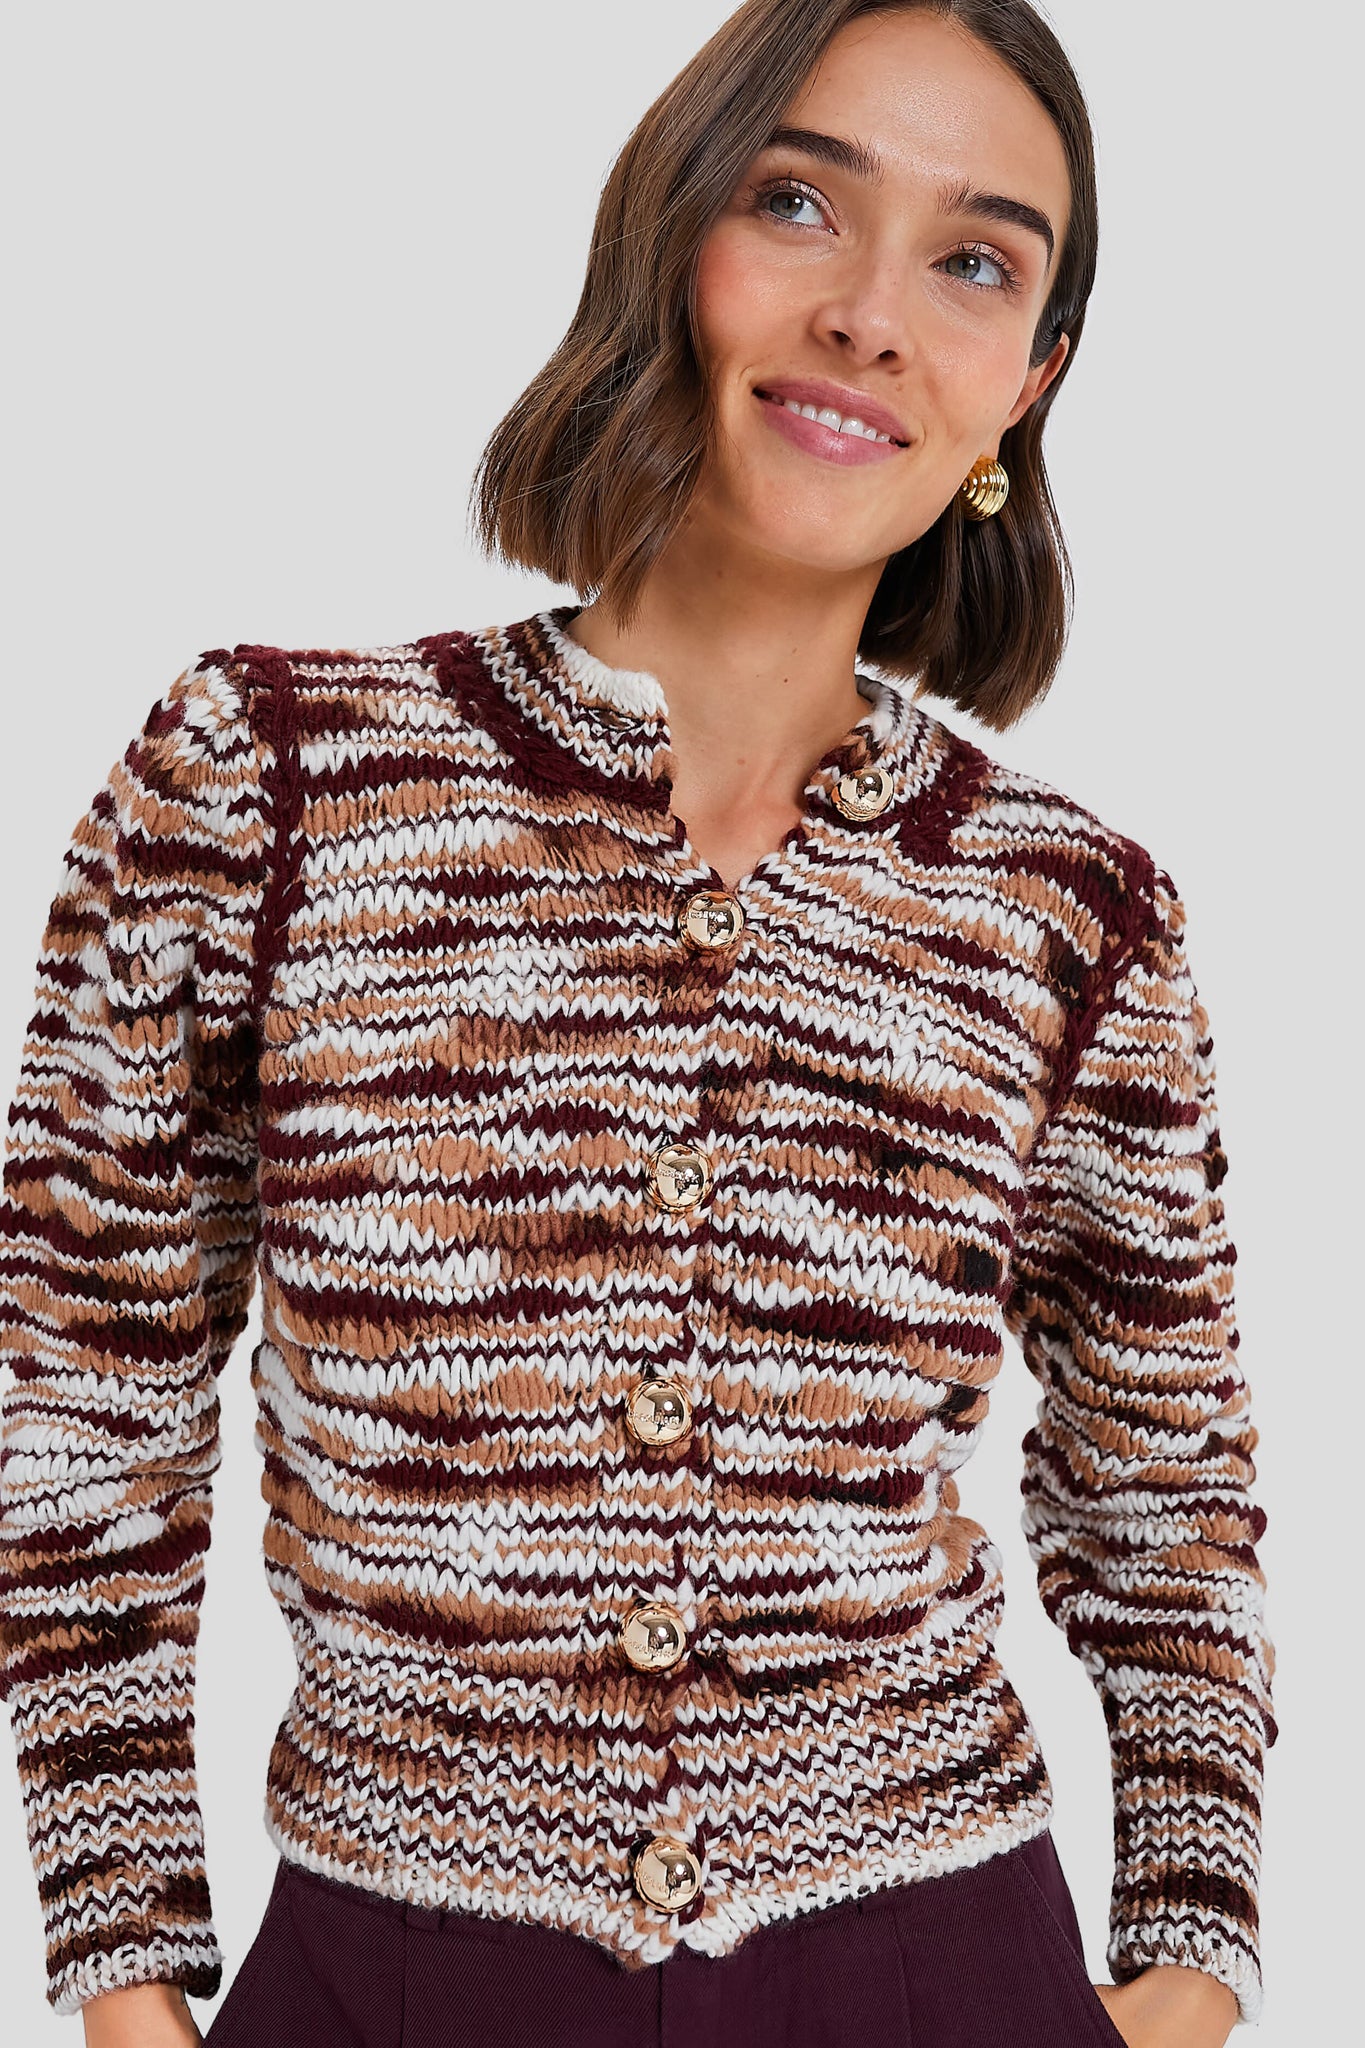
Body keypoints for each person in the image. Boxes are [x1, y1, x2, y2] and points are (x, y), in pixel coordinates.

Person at [0, 4, 1275, 2045]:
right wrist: (127, 1986)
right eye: (799, 204)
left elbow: (1164, 1497)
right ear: (670, 235)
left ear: (1025, 385)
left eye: (973, 261)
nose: (869, 317)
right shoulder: (265, 780)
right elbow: (85, 1405)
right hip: (389, 1973)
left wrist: (1184, 1977)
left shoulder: (1071, 911)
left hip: (933, 1964)